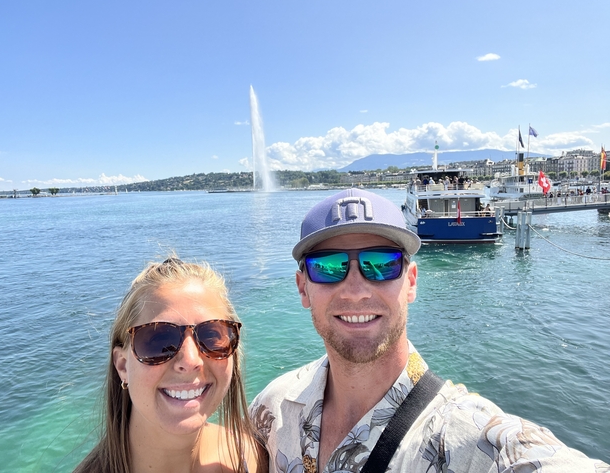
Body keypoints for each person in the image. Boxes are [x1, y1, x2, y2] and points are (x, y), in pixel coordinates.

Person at [249, 188, 608, 472]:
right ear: (302, 288)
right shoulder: (273, 408)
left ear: (411, 282)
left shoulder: (465, 437)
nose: (356, 289)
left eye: (381, 265)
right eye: (329, 267)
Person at [75, 257, 265, 473]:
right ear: (122, 366)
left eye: (212, 336)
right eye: (159, 340)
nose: (190, 360)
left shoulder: (250, 457)